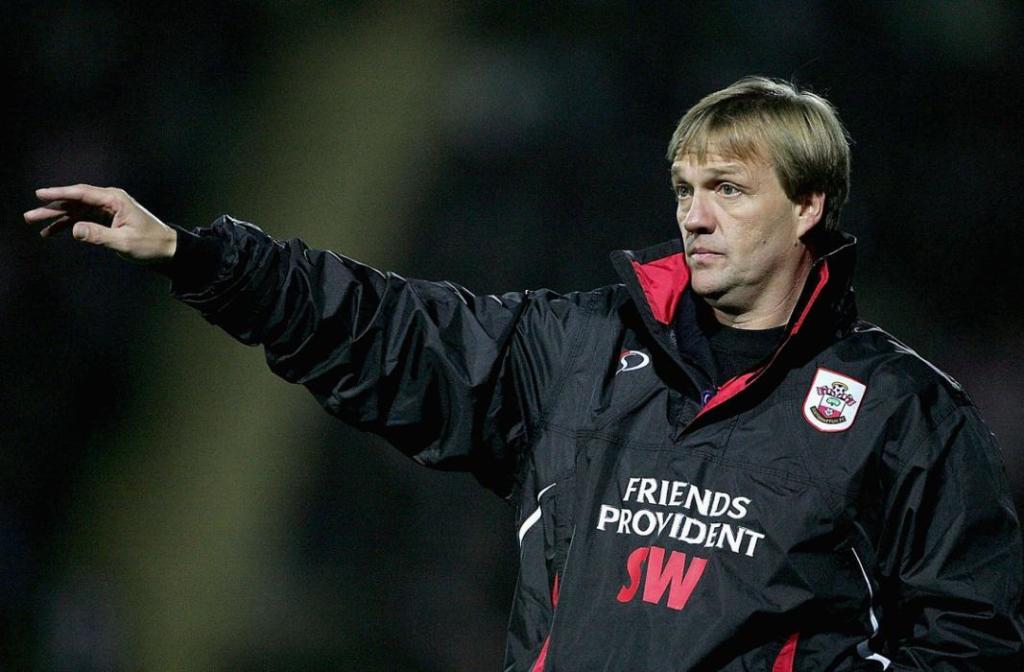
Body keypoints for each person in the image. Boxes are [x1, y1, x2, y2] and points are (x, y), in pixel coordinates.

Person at [24, 77, 1024, 670]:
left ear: (808, 208)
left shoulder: (901, 413)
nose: (694, 213)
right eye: (684, 187)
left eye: (727, 188)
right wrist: (202, 260)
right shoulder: (578, 349)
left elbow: (972, 639)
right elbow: (387, 333)